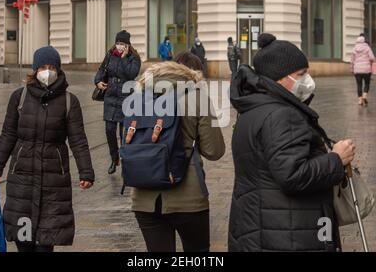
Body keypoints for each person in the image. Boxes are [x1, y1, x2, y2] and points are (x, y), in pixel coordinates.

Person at [229, 33, 356, 252]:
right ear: (279, 78)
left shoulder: (253, 108)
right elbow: (293, 175)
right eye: (301, 74)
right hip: (288, 233)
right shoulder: (282, 115)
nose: (307, 79)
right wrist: (336, 159)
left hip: (260, 227)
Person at [0, 46, 95, 252]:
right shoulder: (18, 98)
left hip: (54, 183)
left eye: (51, 67)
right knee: (24, 241)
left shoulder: (68, 101)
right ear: (35, 70)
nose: (47, 71)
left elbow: (78, 140)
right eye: (43, 67)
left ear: (58, 69)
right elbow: (8, 134)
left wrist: (86, 171)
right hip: (22, 181)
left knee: (45, 245)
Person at [132, 53, 225, 252]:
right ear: (195, 74)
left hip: (144, 198)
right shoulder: (197, 96)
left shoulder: (138, 94)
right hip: (188, 198)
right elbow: (214, 150)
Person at [94, 30, 141, 175]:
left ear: (128, 45)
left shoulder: (134, 58)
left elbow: (131, 73)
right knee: (109, 130)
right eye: (118, 43)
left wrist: (125, 58)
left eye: (122, 44)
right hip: (110, 96)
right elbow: (102, 69)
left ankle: (125, 159)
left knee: (123, 132)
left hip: (126, 97)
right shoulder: (110, 55)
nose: (119, 46)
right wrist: (98, 81)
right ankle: (114, 159)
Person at [351, 34, 375, 106]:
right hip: (366, 69)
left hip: (357, 70)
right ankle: (364, 96)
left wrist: (352, 69)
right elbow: (372, 58)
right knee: (367, 83)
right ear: (364, 40)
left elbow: (352, 60)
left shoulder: (354, 48)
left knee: (359, 84)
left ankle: (360, 100)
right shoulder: (367, 48)